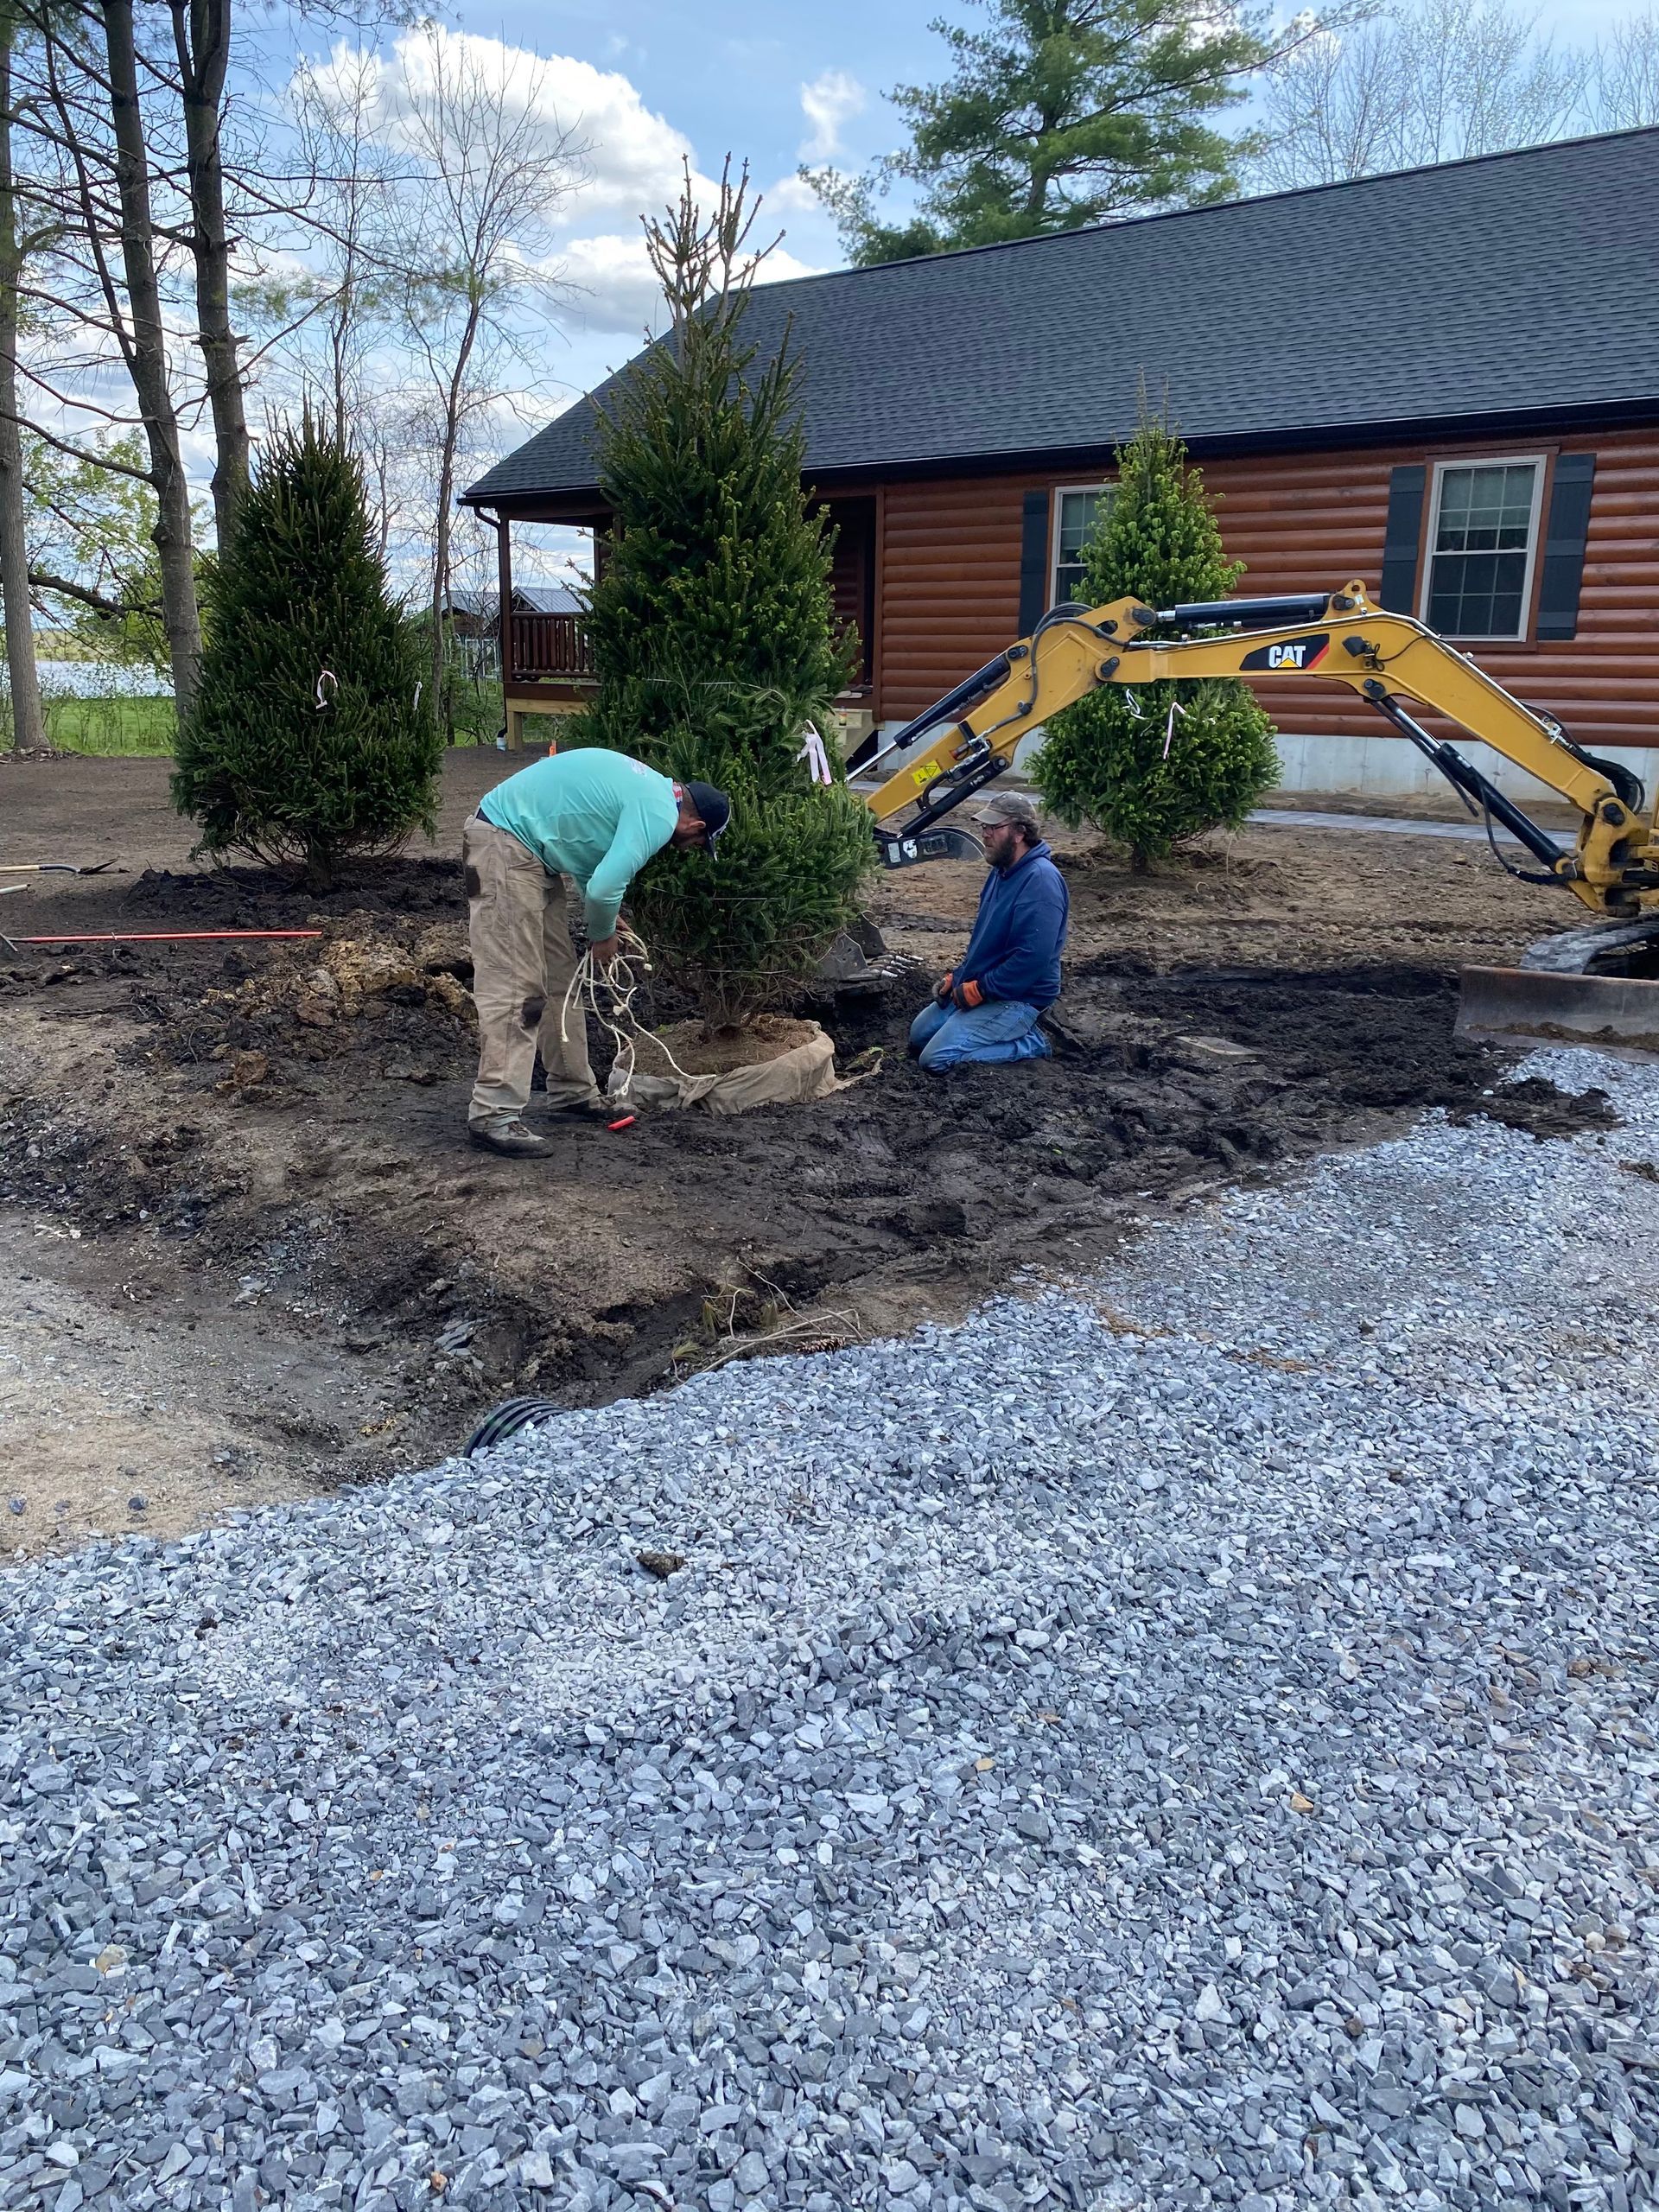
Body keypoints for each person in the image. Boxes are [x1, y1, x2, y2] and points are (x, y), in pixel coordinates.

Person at [462, 748, 729, 1155]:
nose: (689, 848)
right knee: (515, 984)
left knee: (560, 983)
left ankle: (573, 1093)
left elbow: (591, 859)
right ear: (696, 823)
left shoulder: (651, 791)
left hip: (529, 853)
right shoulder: (658, 813)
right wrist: (602, 933)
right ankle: (493, 1115)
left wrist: (609, 915)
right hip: (504, 844)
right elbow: (606, 886)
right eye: (697, 841)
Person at [907, 790, 1067, 1072]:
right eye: (984, 826)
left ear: (1019, 833)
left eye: (993, 827)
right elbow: (986, 943)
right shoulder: (1001, 872)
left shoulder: (1041, 882)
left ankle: (1035, 1043)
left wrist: (981, 990)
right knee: (918, 1036)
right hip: (991, 987)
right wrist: (958, 978)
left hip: (1019, 997)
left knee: (935, 1060)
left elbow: (1032, 959)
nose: (985, 834)